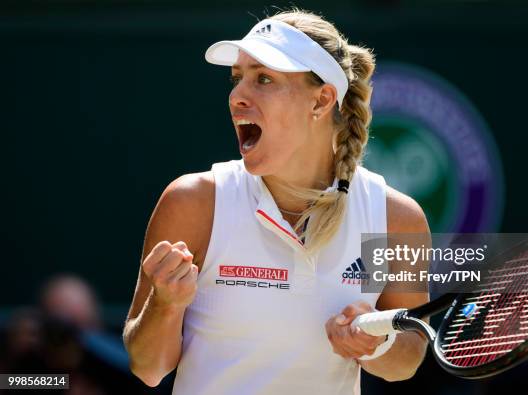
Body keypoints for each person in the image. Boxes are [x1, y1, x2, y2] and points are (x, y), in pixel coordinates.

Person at [123, 9, 430, 394]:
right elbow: (147, 367)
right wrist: (165, 304)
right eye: (238, 79)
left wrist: (377, 343)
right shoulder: (194, 202)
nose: (237, 96)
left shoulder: (397, 219)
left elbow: (407, 360)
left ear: (321, 101)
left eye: (264, 79)